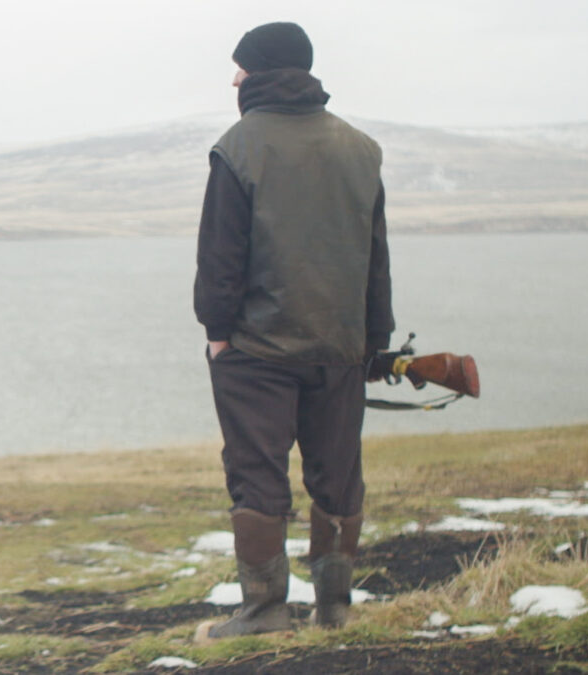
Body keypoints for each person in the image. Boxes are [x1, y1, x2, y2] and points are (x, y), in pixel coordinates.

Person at [192, 21, 394, 639]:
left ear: (261, 70)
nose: (234, 78)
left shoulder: (239, 146)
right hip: (342, 348)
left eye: (240, 66)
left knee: (256, 474)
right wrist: (375, 341)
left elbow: (221, 254)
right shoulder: (361, 148)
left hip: (257, 349)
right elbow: (375, 257)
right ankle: (334, 611)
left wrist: (218, 334)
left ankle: (263, 612)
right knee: (338, 475)